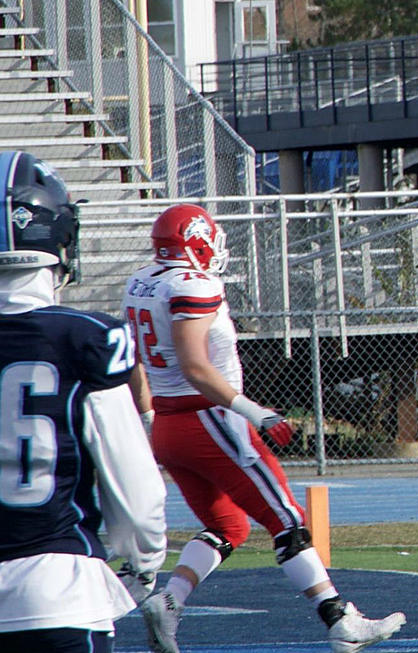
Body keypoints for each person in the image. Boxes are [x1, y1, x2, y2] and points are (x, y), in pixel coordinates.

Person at [123, 204, 406, 653]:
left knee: (228, 525)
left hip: (171, 425)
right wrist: (256, 413)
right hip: (211, 420)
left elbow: (133, 361)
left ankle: (169, 601)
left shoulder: (141, 282)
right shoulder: (194, 283)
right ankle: (339, 621)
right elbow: (196, 367)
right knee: (287, 520)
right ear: (195, 241)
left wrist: (148, 418)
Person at [0, 150, 167, 652]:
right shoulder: (85, 338)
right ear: (60, 237)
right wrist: (144, 564)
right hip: (58, 592)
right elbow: (136, 492)